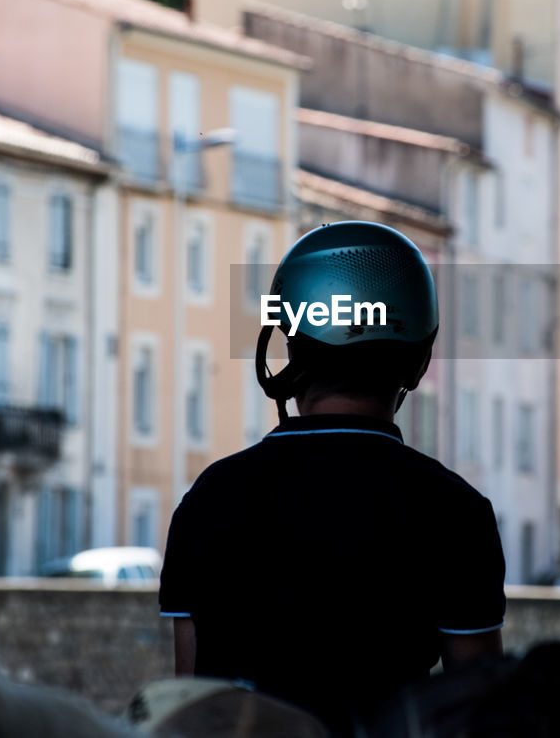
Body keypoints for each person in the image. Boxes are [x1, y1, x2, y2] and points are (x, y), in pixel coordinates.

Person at [158, 221, 506, 735]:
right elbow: (478, 714)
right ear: (418, 362)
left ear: (290, 351)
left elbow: (188, 706)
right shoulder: (455, 511)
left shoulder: (210, 498)